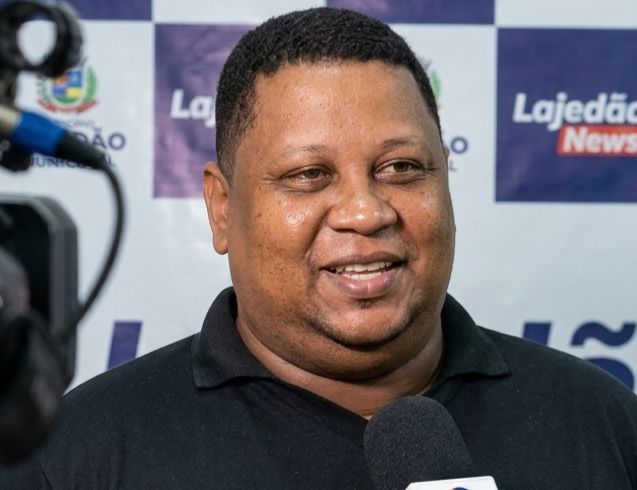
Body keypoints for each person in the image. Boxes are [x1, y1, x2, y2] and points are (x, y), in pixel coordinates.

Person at [2, 7, 637, 489]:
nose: (366, 211)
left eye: (401, 168)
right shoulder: (75, 457)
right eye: (309, 175)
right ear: (221, 207)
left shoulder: (604, 423)